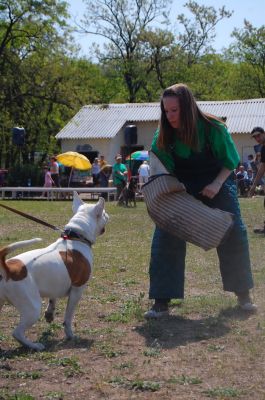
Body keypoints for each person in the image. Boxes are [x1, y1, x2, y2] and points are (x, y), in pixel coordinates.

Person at [144, 83, 256, 319]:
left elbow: (230, 161)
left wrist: (215, 185)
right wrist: (175, 191)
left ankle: (243, 295)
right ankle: (161, 301)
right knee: (165, 233)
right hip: (181, 186)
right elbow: (162, 168)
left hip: (217, 181)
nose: (170, 116)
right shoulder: (162, 135)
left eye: (174, 110)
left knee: (234, 230)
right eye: (166, 111)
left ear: (188, 107)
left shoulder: (213, 128)